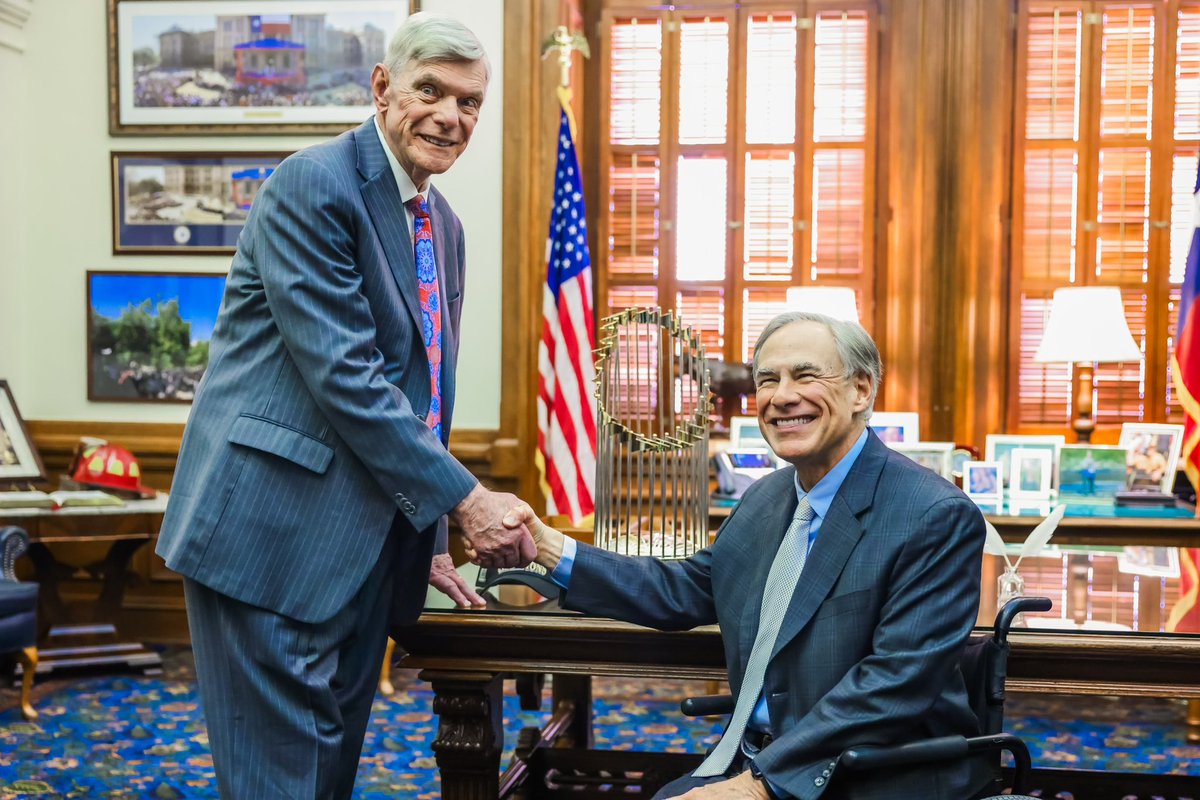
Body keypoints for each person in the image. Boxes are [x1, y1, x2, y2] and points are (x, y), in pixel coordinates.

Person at [155, 14, 535, 799]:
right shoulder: (314, 183)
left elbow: (425, 393)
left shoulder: (444, 226)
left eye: (469, 102)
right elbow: (347, 376)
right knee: (277, 781)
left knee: (329, 770)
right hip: (269, 535)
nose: (450, 115)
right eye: (430, 89)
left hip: (370, 545)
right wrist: (465, 501)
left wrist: (427, 527)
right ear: (383, 87)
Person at [505, 312, 991, 800]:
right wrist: (548, 547)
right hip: (754, 757)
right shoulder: (765, 497)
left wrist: (758, 787)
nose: (781, 397)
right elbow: (687, 590)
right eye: (768, 380)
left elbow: (895, 683)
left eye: (805, 375)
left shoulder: (933, 514)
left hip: (874, 776)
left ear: (861, 390)